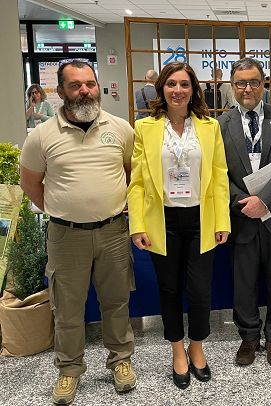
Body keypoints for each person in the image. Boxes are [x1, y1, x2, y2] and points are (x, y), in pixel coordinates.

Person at [19, 59, 136, 405]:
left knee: (116, 302)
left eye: (89, 83)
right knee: (67, 308)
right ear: (61, 91)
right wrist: (66, 210)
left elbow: (131, 175)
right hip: (66, 236)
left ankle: (121, 361)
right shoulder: (42, 136)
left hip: (113, 232)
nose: (84, 91)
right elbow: (31, 186)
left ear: (97, 86)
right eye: (75, 85)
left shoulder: (121, 128)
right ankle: (69, 369)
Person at [127, 62, 230, 389]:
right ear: (161, 89)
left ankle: (197, 347)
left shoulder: (209, 126)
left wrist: (223, 219)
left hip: (202, 218)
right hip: (163, 220)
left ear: (193, 90)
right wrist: (137, 224)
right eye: (171, 84)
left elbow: (219, 177)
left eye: (184, 84)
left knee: (200, 290)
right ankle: (177, 352)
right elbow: (138, 183)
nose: (177, 90)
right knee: (169, 289)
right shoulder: (145, 128)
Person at [218, 58, 271, 366]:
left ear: (264, 84)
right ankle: (249, 337)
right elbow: (217, 173)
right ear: (232, 86)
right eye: (240, 83)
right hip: (242, 218)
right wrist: (244, 202)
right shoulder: (221, 125)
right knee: (244, 284)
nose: (247, 89)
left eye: (254, 82)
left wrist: (264, 200)